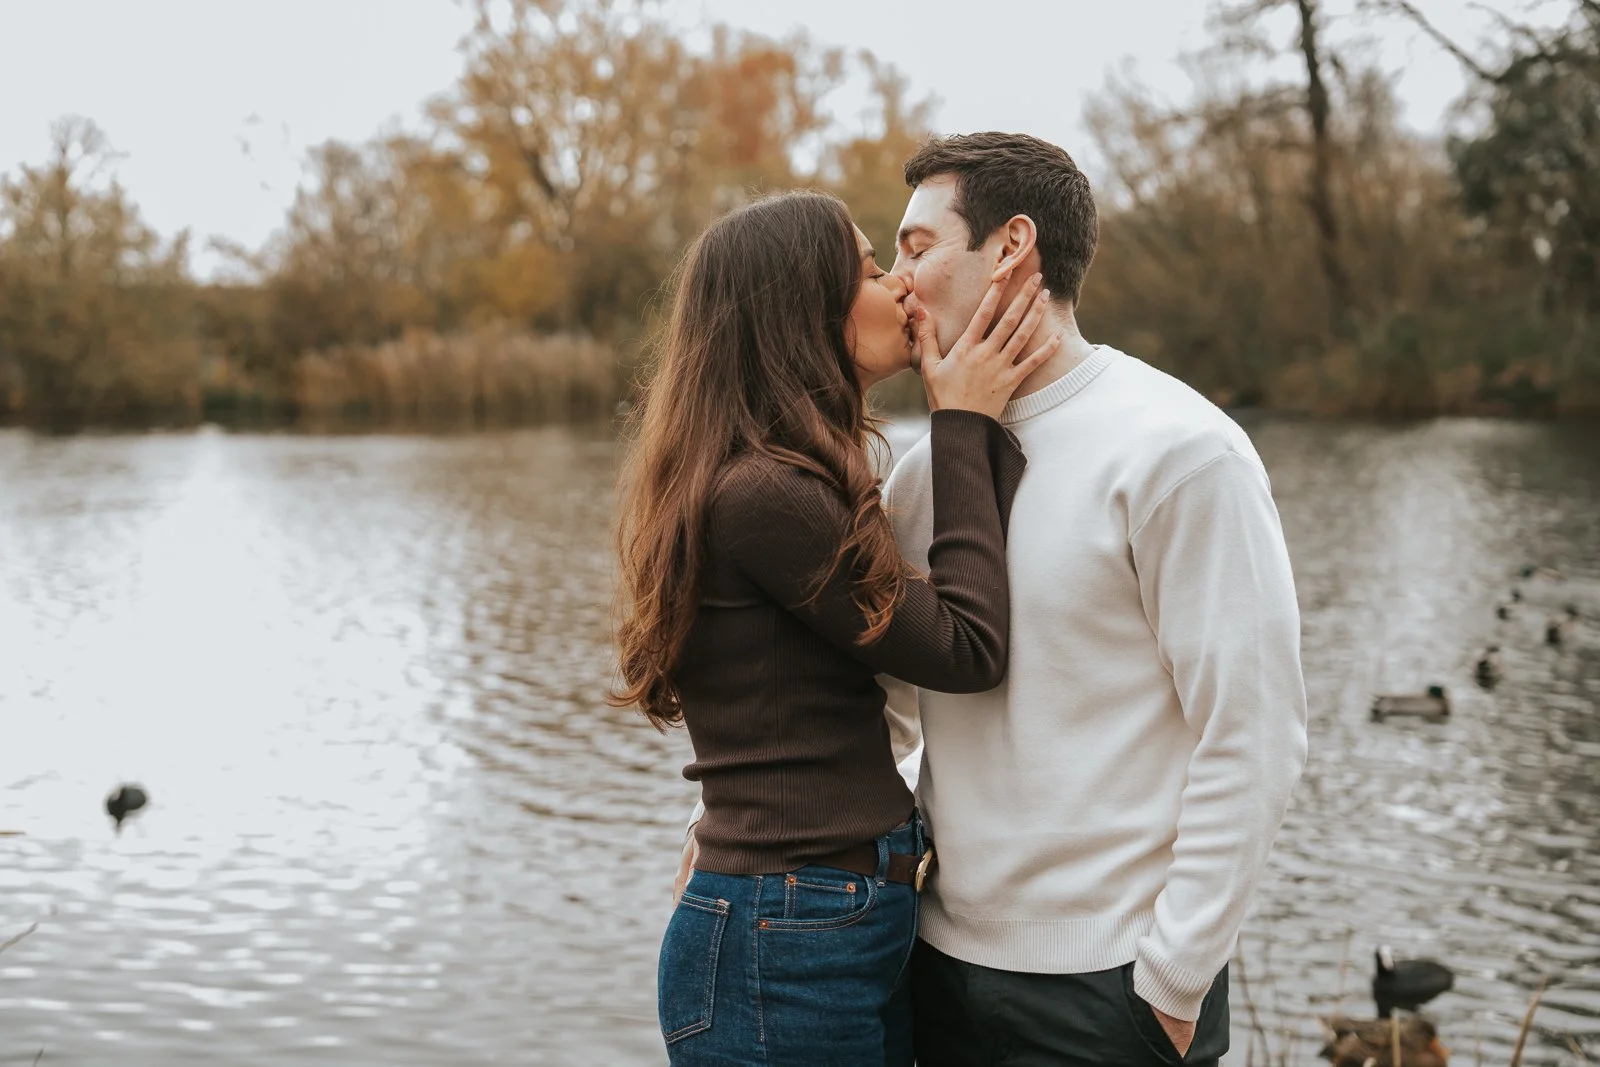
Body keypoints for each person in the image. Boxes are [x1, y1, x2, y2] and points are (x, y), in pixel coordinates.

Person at [876, 132, 1310, 1067]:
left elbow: (1254, 729)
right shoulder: (920, 481)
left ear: (1011, 246)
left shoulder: (1181, 451)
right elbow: (881, 718)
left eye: (917, 248)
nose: (897, 281)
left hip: (1115, 993)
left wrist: (1172, 980)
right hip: (936, 969)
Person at [611, 189, 1062, 1065]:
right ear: (798, 312)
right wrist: (963, 423)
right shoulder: (767, 494)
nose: (898, 284)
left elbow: (793, 709)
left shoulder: (786, 477)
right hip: (785, 941)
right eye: (864, 268)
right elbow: (966, 646)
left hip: (820, 918)